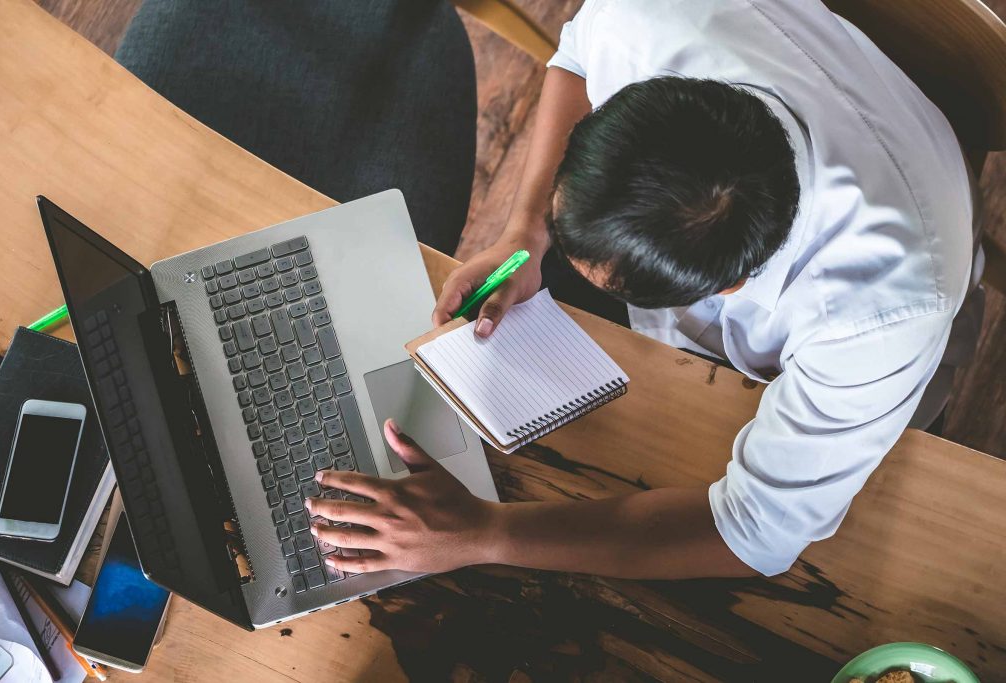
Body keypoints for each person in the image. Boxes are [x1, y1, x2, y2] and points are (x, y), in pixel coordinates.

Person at [306, 0, 984, 580]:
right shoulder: (655, 17)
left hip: (879, 356)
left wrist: (484, 534)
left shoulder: (882, 312)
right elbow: (576, 58)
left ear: (724, 290)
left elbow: (753, 533)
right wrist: (526, 229)